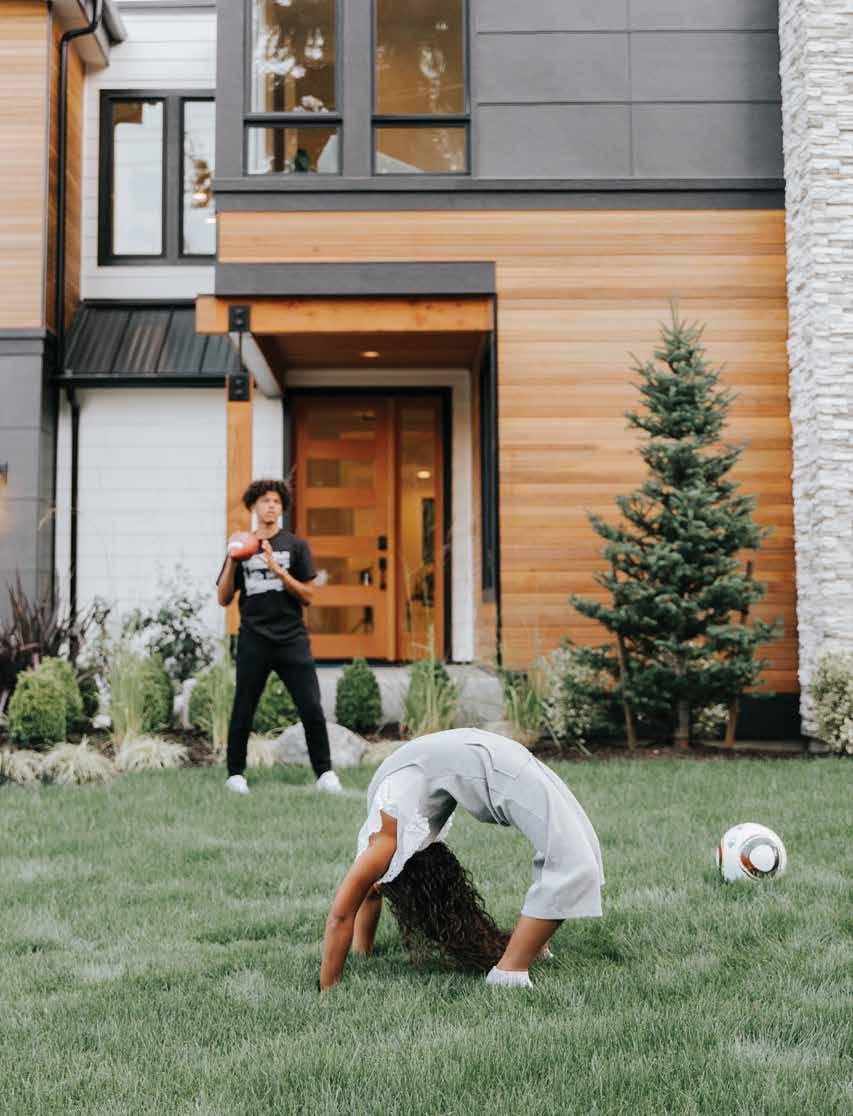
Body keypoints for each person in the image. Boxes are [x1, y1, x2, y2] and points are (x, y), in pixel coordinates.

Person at [320, 728, 604, 990]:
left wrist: (328, 987)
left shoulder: (384, 844)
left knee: (577, 858)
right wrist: (362, 951)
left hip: (494, 761)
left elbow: (343, 915)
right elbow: (370, 892)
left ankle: (511, 968)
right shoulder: (386, 839)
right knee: (579, 855)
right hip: (491, 752)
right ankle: (516, 964)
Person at [216, 478, 342, 796]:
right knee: (244, 706)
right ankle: (235, 775)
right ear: (254, 507)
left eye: (276, 501)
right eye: (265, 501)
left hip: (291, 639)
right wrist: (232, 559)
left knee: (311, 706)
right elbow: (223, 597)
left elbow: (308, 595)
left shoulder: (296, 546)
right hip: (253, 638)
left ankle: (325, 773)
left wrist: (278, 570)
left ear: (282, 507)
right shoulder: (242, 546)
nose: (271, 506)